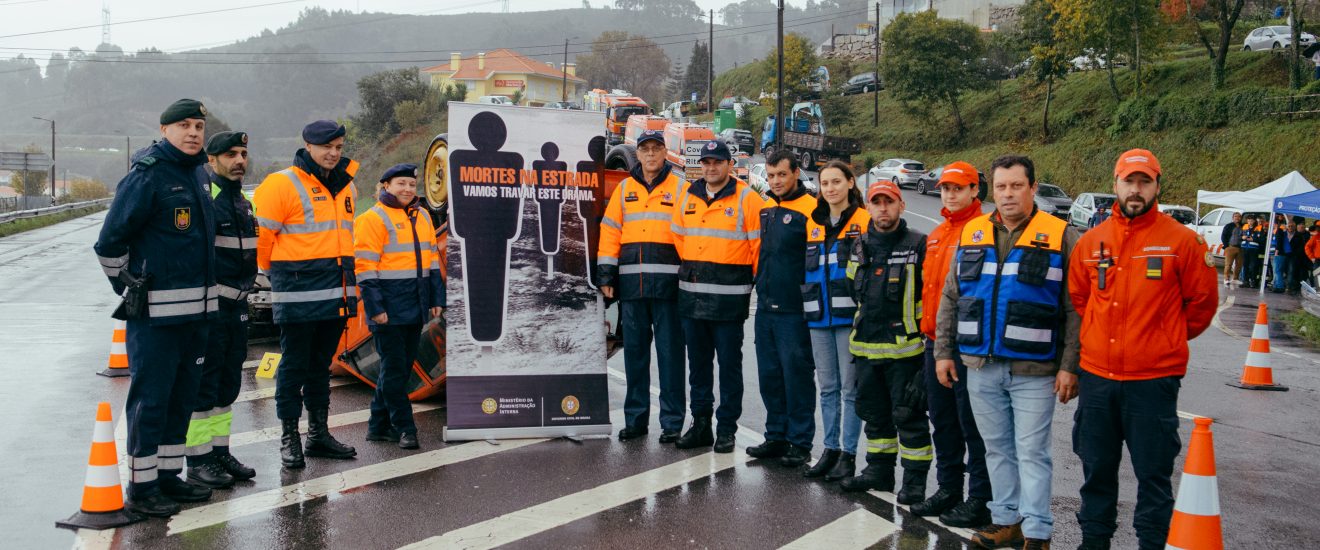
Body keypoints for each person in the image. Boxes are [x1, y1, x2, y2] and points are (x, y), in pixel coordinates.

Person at [1069, 149, 1219, 550]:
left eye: (1144, 182)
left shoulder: (1183, 242)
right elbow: (1081, 300)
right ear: (1115, 184)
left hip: (1152, 382)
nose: (1136, 190)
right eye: (1129, 181)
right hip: (1097, 379)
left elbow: (1202, 306)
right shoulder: (1091, 242)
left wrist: (1162, 338)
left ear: (1157, 186)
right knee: (1096, 469)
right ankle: (1094, 541)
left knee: (1153, 474)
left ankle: (1151, 543)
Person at [935, 155, 1081, 549]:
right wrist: (943, 352)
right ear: (992, 191)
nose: (1008, 194)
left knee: (1032, 451)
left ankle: (1037, 532)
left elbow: (1076, 307)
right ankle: (1005, 521)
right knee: (996, 449)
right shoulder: (973, 232)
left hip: (1035, 369)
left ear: (1033, 188)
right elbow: (951, 296)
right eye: (1001, 187)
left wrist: (1070, 365)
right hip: (980, 366)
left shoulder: (1062, 235)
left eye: (1017, 186)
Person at [93, 99, 218, 517]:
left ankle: (167, 477)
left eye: (198, 125)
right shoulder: (147, 175)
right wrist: (129, 287)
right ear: (164, 130)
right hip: (156, 319)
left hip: (197, 317)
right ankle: (143, 488)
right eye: (184, 125)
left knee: (181, 401)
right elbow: (109, 244)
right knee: (152, 401)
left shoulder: (199, 173)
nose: (193, 133)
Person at [253, 120, 360, 468]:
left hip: (336, 293)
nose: (333, 153)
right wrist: (283, 278)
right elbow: (262, 243)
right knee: (293, 367)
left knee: (320, 368)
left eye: (339, 147)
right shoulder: (281, 183)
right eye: (326, 147)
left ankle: (318, 434)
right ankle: (289, 437)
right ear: (308, 146)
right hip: (297, 295)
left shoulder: (347, 186)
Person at [839, 179, 932, 507]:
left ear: (901, 206)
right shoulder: (859, 245)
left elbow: (930, 298)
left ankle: (914, 482)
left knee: (909, 418)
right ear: (868, 207)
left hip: (906, 354)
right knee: (874, 415)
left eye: (889, 202)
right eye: (876, 202)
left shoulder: (919, 245)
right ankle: (879, 471)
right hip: (866, 350)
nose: (883, 208)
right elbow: (853, 290)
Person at [909, 161, 993, 528]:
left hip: (967, 345)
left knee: (972, 424)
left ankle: (980, 498)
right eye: (945, 188)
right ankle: (948, 489)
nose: (950, 194)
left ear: (975, 190)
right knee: (942, 421)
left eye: (958, 188)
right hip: (934, 341)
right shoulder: (938, 233)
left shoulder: (984, 231)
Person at [669, 139, 762, 454]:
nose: (711, 168)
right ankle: (701, 426)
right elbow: (678, 237)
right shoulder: (688, 195)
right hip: (692, 300)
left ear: (729, 165)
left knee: (729, 369)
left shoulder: (748, 199)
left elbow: (758, 249)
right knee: (698, 369)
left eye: (717, 162)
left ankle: (726, 430)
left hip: (729, 304)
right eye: (706, 162)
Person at [597, 129, 686, 443]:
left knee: (671, 358)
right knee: (635, 357)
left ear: (664, 153)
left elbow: (692, 235)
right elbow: (610, 233)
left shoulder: (682, 189)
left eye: (655, 148)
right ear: (638, 154)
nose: (650, 154)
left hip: (669, 291)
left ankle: (672, 423)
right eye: (645, 149)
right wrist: (606, 276)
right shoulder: (624, 190)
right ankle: (635, 421)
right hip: (632, 289)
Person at [183, 131, 258, 491]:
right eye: (230, 154)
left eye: (243, 153)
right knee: (204, 388)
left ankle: (219, 452)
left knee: (227, 387)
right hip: (210, 309)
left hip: (237, 308)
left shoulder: (243, 201)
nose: (239, 160)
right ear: (211, 160)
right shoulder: (204, 197)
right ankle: (198, 461)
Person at [353, 163, 444, 451]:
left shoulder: (423, 216)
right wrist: (375, 309)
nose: (407, 189)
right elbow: (365, 269)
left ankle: (377, 426)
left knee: (400, 370)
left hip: (414, 306)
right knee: (394, 370)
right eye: (401, 184)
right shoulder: (372, 218)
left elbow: (431, 261)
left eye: (411, 185)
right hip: (388, 310)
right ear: (386, 186)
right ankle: (405, 427)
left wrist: (436, 299)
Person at [747, 150, 818, 467]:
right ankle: (775, 436)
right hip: (765, 307)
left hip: (795, 310)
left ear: (796, 174)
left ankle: (800, 442)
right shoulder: (766, 209)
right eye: (771, 175)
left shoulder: (812, 210)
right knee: (770, 376)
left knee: (796, 377)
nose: (776, 181)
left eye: (782, 175)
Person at [801, 161, 869, 481]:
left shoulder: (864, 221)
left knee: (849, 389)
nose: (830, 188)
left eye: (836, 182)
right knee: (827, 388)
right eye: (825, 183)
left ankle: (848, 455)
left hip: (850, 320)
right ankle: (829, 449)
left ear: (850, 183)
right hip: (818, 318)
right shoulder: (812, 223)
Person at [1240, 214, 1264, 288]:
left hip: (1254, 249)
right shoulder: (1244, 227)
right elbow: (1239, 236)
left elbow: (1262, 239)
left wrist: (1253, 239)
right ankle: (1245, 281)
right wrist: (1242, 237)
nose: (1250, 222)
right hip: (1245, 248)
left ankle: (1253, 281)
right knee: (1245, 265)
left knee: (1253, 266)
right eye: (1248, 220)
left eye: (1251, 220)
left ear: (1254, 221)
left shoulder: (1259, 228)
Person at [1288, 216, 1310, 294]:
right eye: (1300, 224)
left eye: (1303, 224)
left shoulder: (1307, 234)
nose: (1302, 226)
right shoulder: (1294, 235)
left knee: (1303, 274)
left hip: (1305, 259)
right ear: (1296, 226)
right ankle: (1294, 288)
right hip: (1295, 258)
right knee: (1293, 273)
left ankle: (1301, 288)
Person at [1221, 212, 1242, 287]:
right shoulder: (1228, 226)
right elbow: (1223, 236)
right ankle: (1226, 279)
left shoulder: (1242, 226)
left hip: (1240, 248)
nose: (1237, 218)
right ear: (1233, 218)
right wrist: (1226, 246)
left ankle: (1235, 278)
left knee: (1239, 265)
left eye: (1239, 216)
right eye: (1235, 216)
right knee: (1228, 264)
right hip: (1230, 247)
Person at [1271, 215, 1292, 293]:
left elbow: (1279, 242)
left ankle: (1280, 286)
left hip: (1280, 253)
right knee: (1278, 270)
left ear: (1275, 224)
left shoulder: (1279, 231)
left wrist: (1276, 252)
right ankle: (1276, 285)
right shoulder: (1280, 231)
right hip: (1282, 253)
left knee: (1278, 270)